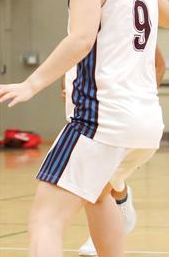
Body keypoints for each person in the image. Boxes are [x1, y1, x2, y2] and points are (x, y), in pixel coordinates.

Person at [0, 0, 169, 256]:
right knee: (98, 193)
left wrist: (32, 82)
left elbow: (82, 38)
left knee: (45, 220)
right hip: (148, 125)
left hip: (101, 122)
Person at [74, 46, 166, 256]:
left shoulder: (133, 20)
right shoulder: (83, 25)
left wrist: (146, 92)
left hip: (119, 115)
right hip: (85, 111)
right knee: (99, 183)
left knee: (91, 188)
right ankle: (122, 204)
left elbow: (159, 64)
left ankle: (109, 228)